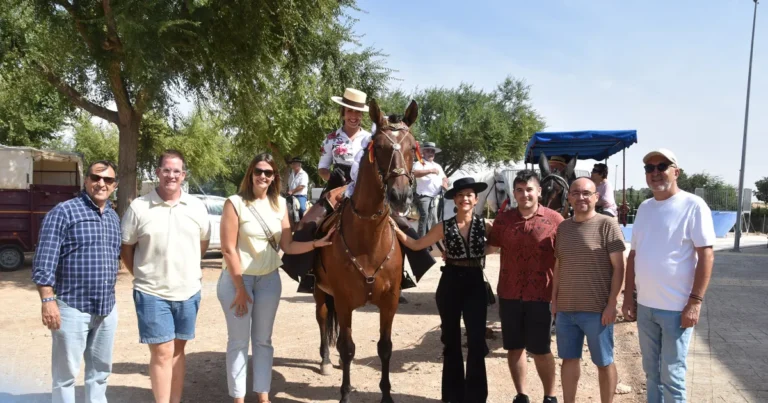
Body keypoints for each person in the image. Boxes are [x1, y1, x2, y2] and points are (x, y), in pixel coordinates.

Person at [283, 87, 435, 297]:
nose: (353, 116)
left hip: (368, 187)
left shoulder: (372, 137)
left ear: (363, 115)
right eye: (349, 111)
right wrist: (333, 177)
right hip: (337, 184)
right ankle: (310, 273)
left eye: (358, 112)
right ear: (343, 113)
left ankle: (400, 275)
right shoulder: (331, 138)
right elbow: (322, 168)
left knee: (402, 224)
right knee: (308, 222)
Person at [217, 153, 333, 403]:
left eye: (268, 172)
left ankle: (263, 397)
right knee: (238, 342)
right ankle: (238, 399)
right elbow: (228, 249)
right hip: (239, 280)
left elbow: (288, 246)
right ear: (250, 173)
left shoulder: (280, 204)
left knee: (263, 341)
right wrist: (240, 288)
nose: (263, 176)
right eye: (258, 171)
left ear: (274, 177)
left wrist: (316, 243)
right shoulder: (234, 203)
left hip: (269, 280)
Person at [622, 148, 715, 403]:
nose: (655, 172)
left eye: (661, 166)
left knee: (672, 376)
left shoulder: (693, 206)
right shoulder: (645, 208)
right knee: (651, 373)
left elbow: (706, 256)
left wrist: (695, 302)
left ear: (676, 172)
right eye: (649, 168)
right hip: (646, 308)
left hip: (676, 309)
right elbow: (633, 255)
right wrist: (628, 297)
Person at [120, 150, 212, 403]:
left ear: (183, 175)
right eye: (166, 170)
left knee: (178, 351)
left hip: (188, 291)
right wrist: (142, 274)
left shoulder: (196, 207)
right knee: (162, 352)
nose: (171, 175)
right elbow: (127, 248)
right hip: (152, 293)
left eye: (176, 171)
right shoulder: (139, 207)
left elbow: (202, 244)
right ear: (158, 172)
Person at [392, 177, 494, 403]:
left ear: (476, 199)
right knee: (451, 339)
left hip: (475, 282)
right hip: (450, 282)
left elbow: (496, 245)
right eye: (460, 195)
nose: (465, 198)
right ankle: (453, 396)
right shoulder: (443, 226)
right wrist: (396, 229)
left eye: (469, 195)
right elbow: (417, 244)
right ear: (454, 200)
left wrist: (477, 252)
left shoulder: (486, 225)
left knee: (477, 340)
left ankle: (476, 397)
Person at [32, 160, 121, 403]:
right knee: (65, 377)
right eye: (96, 177)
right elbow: (44, 261)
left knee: (100, 373)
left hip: (106, 308)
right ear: (86, 180)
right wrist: (48, 300)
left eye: (108, 180)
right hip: (72, 307)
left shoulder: (113, 217)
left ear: (114, 185)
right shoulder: (64, 212)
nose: (101, 183)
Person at [486, 169, 563, 403]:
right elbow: (491, 247)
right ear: (514, 193)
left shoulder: (555, 220)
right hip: (509, 292)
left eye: (529, 189)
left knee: (540, 349)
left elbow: (564, 257)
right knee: (514, 347)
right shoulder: (504, 220)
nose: (524, 194)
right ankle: (521, 395)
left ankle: (550, 396)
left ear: (539, 191)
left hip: (541, 295)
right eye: (519, 190)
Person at [552, 178, 626, 403]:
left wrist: (612, 303)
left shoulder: (607, 224)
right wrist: (554, 300)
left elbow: (619, 267)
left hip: (597, 311)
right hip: (566, 310)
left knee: (604, 362)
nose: (581, 197)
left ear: (596, 197)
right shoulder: (563, 227)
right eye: (575, 193)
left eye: (586, 193)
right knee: (568, 360)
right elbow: (558, 265)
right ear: (569, 197)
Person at [412, 141, 449, 238]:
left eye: (432, 151)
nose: (431, 153)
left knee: (439, 216)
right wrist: (430, 171)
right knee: (425, 216)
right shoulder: (419, 163)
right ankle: (421, 240)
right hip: (424, 195)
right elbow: (414, 173)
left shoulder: (437, 166)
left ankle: (434, 238)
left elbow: (444, 177)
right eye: (428, 151)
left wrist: (445, 182)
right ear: (423, 152)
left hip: (437, 196)